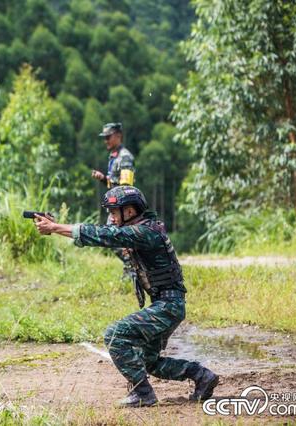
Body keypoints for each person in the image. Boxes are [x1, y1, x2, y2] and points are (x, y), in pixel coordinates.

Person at [32, 185, 219, 408]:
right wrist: (57, 227)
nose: (111, 218)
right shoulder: (140, 230)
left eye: (114, 212)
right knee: (148, 362)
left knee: (115, 334)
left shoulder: (145, 232)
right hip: (167, 305)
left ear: (129, 212)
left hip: (168, 306)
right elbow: (104, 235)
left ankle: (143, 393)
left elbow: (104, 235)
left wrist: (54, 227)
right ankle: (201, 376)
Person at [92, 122, 136, 277]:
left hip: (122, 208)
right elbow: (114, 182)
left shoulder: (125, 157)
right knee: (116, 239)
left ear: (118, 136)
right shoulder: (114, 156)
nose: (106, 141)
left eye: (108, 137)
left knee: (111, 238)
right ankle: (132, 267)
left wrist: (121, 212)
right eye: (104, 138)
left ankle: (133, 267)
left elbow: (126, 186)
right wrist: (104, 178)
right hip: (116, 208)